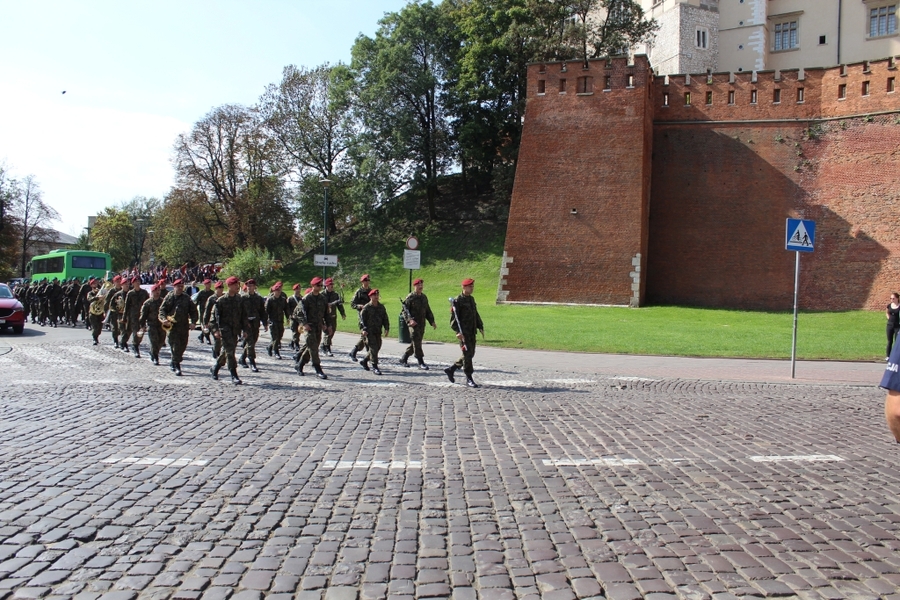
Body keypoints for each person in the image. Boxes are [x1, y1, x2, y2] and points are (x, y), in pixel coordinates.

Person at [445, 278, 484, 388]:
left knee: (470, 354)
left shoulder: (471, 299)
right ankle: (469, 378)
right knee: (467, 355)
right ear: (464, 287)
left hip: (471, 331)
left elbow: (475, 314)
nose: (472, 289)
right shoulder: (457, 301)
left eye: (472, 287)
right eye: (470, 287)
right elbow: (454, 319)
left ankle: (451, 369)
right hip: (463, 333)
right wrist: (457, 332)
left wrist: (480, 325)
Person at [210, 276, 249, 385]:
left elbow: (243, 316)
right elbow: (214, 318)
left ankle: (215, 368)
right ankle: (234, 374)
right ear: (229, 286)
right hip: (225, 330)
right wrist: (215, 330)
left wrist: (245, 329)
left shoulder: (239, 299)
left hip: (235, 331)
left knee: (226, 351)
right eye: (235, 284)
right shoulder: (221, 301)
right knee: (230, 352)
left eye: (238, 284)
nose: (237, 286)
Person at [158, 278, 197, 376]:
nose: (180, 288)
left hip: (183, 326)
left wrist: (193, 322)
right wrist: (163, 320)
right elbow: (162, 310)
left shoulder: (186, 298)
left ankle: (174, 361)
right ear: (174, 287)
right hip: (172, 326)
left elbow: (193, 310)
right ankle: (177, 365)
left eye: (182, 286)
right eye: (178, 286)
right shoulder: (169, 297)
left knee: (182, 345)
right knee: (174, 346)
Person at [293, 277, 329, 379]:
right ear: (313, 286)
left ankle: (299, 365)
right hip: (309, 328)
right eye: (318, 285)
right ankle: (317, 368)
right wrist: (304, 324)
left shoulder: (323, 298)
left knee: (311, 348)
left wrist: (327, 324)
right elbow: (297, 313)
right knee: (313, 348)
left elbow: (326, 313)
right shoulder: (306, 299)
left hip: (318, 327)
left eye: (321, 285)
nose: (320, 287)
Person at [400, 278, 436, 370]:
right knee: (417, 341)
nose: (420, 287)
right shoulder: (410, 297)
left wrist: (432, 321)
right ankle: (420, 362)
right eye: (418, 285)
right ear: (414, 286)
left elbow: (427, 310)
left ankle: (404, 358)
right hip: (413, 324)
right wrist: (409, 320)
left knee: (416, 342)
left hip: (422, 324)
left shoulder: (424, 297)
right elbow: (404, 311)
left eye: (421, 285)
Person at [358, 288, 389, 375]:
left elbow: (385, 319)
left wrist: (386, 328)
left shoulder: (381, 307)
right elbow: (361, 321)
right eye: (374, 295)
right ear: (370, 296)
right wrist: (363, 330)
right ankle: (375, 366)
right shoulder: (367, 308)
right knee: (373, 348)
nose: (376, 297)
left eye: (377, 295)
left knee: (377, 347)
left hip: (377, 331)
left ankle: (364, 361)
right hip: (369, 332)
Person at [239, 278, 267, 372]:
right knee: (250, 343)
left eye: (251, 286)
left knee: (252, 342)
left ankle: (242, 358)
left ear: (255, 287)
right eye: (248, 286)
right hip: (247, 324)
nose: (249, 287)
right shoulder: (242, 298)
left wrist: (265, 323)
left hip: (255, 323)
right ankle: (252, 362)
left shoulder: (258, 298)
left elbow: (262, 312)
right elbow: (239, 312)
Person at [138, 283, 166, 365]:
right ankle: (155, 357)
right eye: (155, 291)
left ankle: (153, 352)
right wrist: (142, 326)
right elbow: (143, 315)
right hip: (151, 324)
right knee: (154, 341)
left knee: (161, 341)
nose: (157, 292)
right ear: (152, 292)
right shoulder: (148, 303)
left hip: (161, 325)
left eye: (158, 290)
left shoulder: (163, 301)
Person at [123, 277, 149, 357]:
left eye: (138, 281)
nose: (138, 283)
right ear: (133, 283)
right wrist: (124, 317)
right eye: (136, 282)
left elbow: (148, 304)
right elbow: (126, 306)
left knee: (141, 332)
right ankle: (135, 347)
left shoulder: (144, 293)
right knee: (135, 332)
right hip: (133, 316)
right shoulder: (130, 293)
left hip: (142, 316)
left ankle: (136, 344)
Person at [349, 274, 373, 361]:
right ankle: (358, 352)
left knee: (366, 335)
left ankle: (357, 352)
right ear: (362, 282)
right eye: (365, 281)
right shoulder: (358, 292)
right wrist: (359, 306)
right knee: (365, 334)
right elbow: (352, 304)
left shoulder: (371, 291)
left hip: (370, 316)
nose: (367, 282)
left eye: (368, 281)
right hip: (362, 316)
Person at [265, 281, 291, 359]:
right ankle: (276, 352)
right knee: (275, 337)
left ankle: (270, 346)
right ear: (274, 291)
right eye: (277, 291)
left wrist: (288, 318)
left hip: (280, 320)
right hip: (273, 320)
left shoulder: (282, 300)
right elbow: (266, 310)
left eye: (279, 291)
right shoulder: (270, 300)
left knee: (279, 336)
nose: (278, 292)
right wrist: (266, 321)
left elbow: (286, 309)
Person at [321, 277, 345, 357]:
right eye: (330, 285)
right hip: (324, 316)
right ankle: (327, 348)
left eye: (332, 284)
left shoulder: (335, 295)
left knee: (333, 331)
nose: (331, 286)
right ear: (326, 286)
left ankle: (324, 344)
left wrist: (342, 313)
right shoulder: (322, 295)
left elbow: (339, 305)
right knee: (328, 332)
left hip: (333, 316)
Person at [203, 281, 225, 359]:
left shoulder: (224, 297)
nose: (221, 289)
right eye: (219, 288)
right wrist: (205, 322)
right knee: (217, 338)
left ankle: (216, 349)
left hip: (222, 321)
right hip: (213, 322)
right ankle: (216, 352)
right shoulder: (211, 298)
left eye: (222, 288)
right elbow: (207, 311)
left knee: (222, 339)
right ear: (216, 289)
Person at [195, 279, 215, 345]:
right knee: (204, 326)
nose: (209, 285)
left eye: (210, 284)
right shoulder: (201, 293)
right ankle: (207, 339)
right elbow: (196, 301)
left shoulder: (212, 293)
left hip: (210, 311)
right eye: (208, 284)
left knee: (208, 325)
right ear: (205, 285)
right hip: (203, 312)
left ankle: (201, 336)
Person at [85, 279, 105, 345]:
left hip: (100, 312)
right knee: (95, 326)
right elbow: (89, 299)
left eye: (96, 283)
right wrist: (97, 298)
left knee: (99, 328)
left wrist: (103, 297)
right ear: (91, 285)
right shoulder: (90, 293)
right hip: (92, 312)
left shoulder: (100, 292)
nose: (95, 285)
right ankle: (94, 339)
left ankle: (96, 337)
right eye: (93, 284)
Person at [287, 283, 303, 350]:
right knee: (295, 331)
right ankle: (296, 344)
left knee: (298, 332)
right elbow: (287, 308)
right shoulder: (290, 299)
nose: (298, 290)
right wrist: (290, 315)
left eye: (299, 289)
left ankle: (292, 343)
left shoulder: (301, 298)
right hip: (293, 318)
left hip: (299, 318)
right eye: (297, 289)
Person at [887, 292, 900, 361]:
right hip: (890, 325)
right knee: (889, 341)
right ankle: (888, 356)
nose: (892, 300)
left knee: (897, 341)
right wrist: (889, 318)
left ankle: (896, 357)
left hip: (897, 326)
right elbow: (887, 312)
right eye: (891, 298)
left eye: (893, 298)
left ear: (897, 298)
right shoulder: (889, 305)